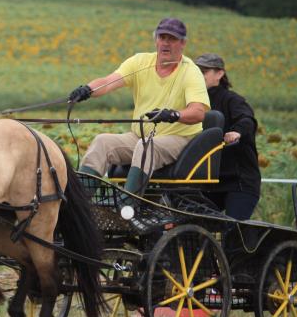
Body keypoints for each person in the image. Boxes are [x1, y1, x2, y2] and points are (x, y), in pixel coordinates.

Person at [69, 17, 210, 196]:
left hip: (179, 139)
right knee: (102, 141)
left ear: (182, 43)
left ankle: (128, 205)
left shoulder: (191, 71)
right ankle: (80, 204)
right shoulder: (140, 62)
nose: (165, 43)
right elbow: (108, 82)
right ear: (155, 40)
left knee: (145, 146)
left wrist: (173, 115)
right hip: (140, 135)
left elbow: (198, 112)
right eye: (162, 37)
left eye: (172, 39)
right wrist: (87, 89)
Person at [195, 53, 260, 220]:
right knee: (193, 229)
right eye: (195, 72)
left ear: (219, 74)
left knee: (233, 232)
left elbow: (247, 119)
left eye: (203, 72)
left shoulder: (232, 100)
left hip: (239, 182)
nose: (197, 76)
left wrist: (237, 131)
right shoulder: (194, 104)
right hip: (207, 182)